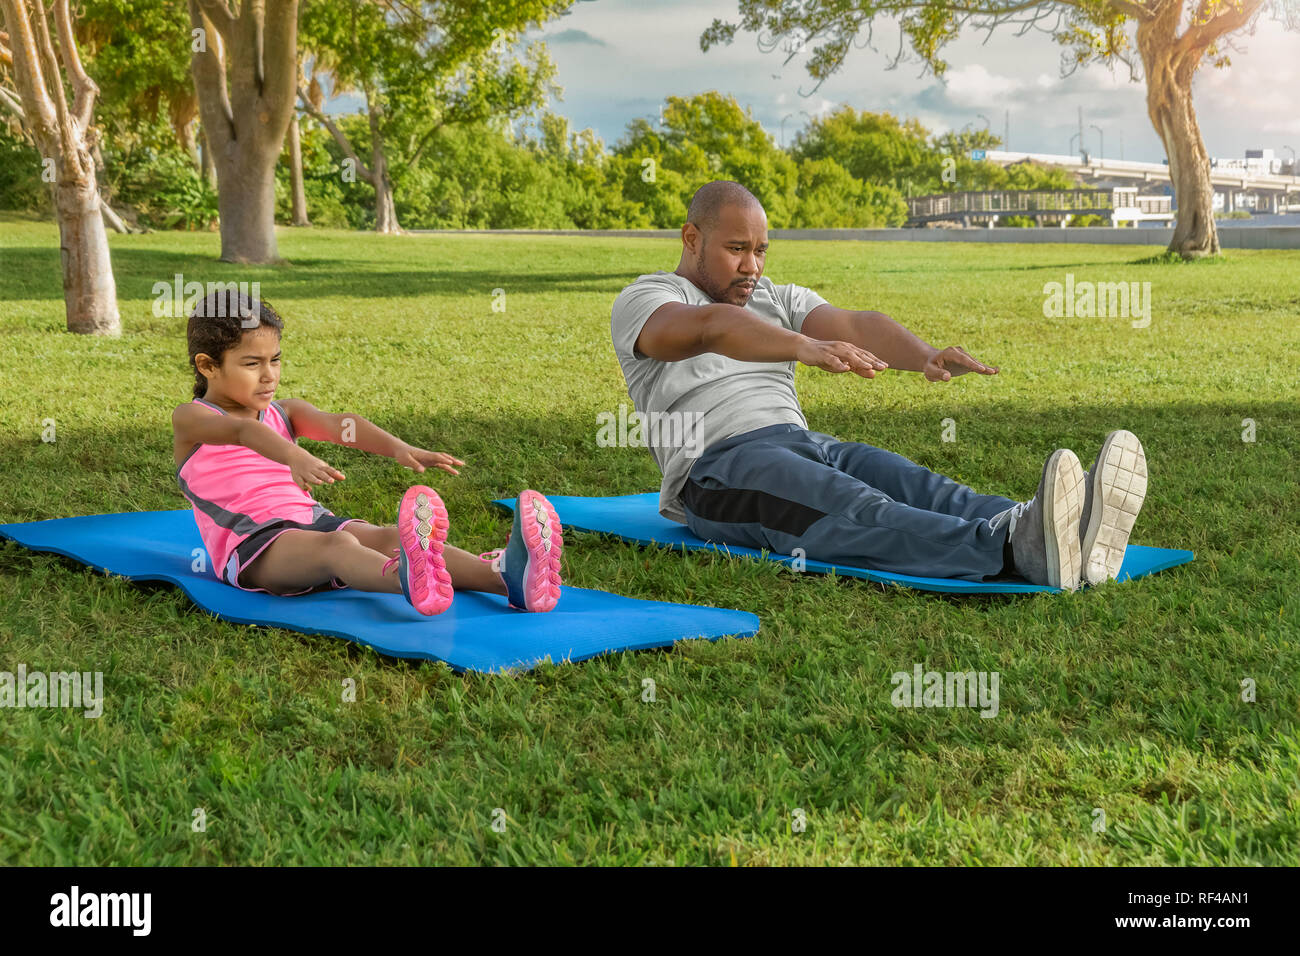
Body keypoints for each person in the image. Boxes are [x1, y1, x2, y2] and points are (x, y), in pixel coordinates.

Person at [609, 180, 1148, 591]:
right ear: (691, 238)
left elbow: (854, 323)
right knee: (855, 508)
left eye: (761, 250)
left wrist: (924, 356)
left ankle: (1061, 528)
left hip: (804, 442)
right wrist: (801, 347)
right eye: (736, 249)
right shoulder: (647, 299)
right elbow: (712, 328)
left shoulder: (773, 296)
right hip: (719, 473)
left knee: (919, 485)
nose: (752, 265)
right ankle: (1011, 548)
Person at [173, 289, 563, 615]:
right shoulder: (192, 419)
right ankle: (405, 579)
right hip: (255, 547)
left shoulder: (283, 413)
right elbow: (241, 432)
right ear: (208, 366)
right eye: (251, 364)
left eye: (275, 360)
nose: (269, 374)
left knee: (386, 535)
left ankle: (508, 577)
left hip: (313, 521)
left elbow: (342, 424)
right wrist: (294, 456)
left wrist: (399, 448)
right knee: (338, 547)